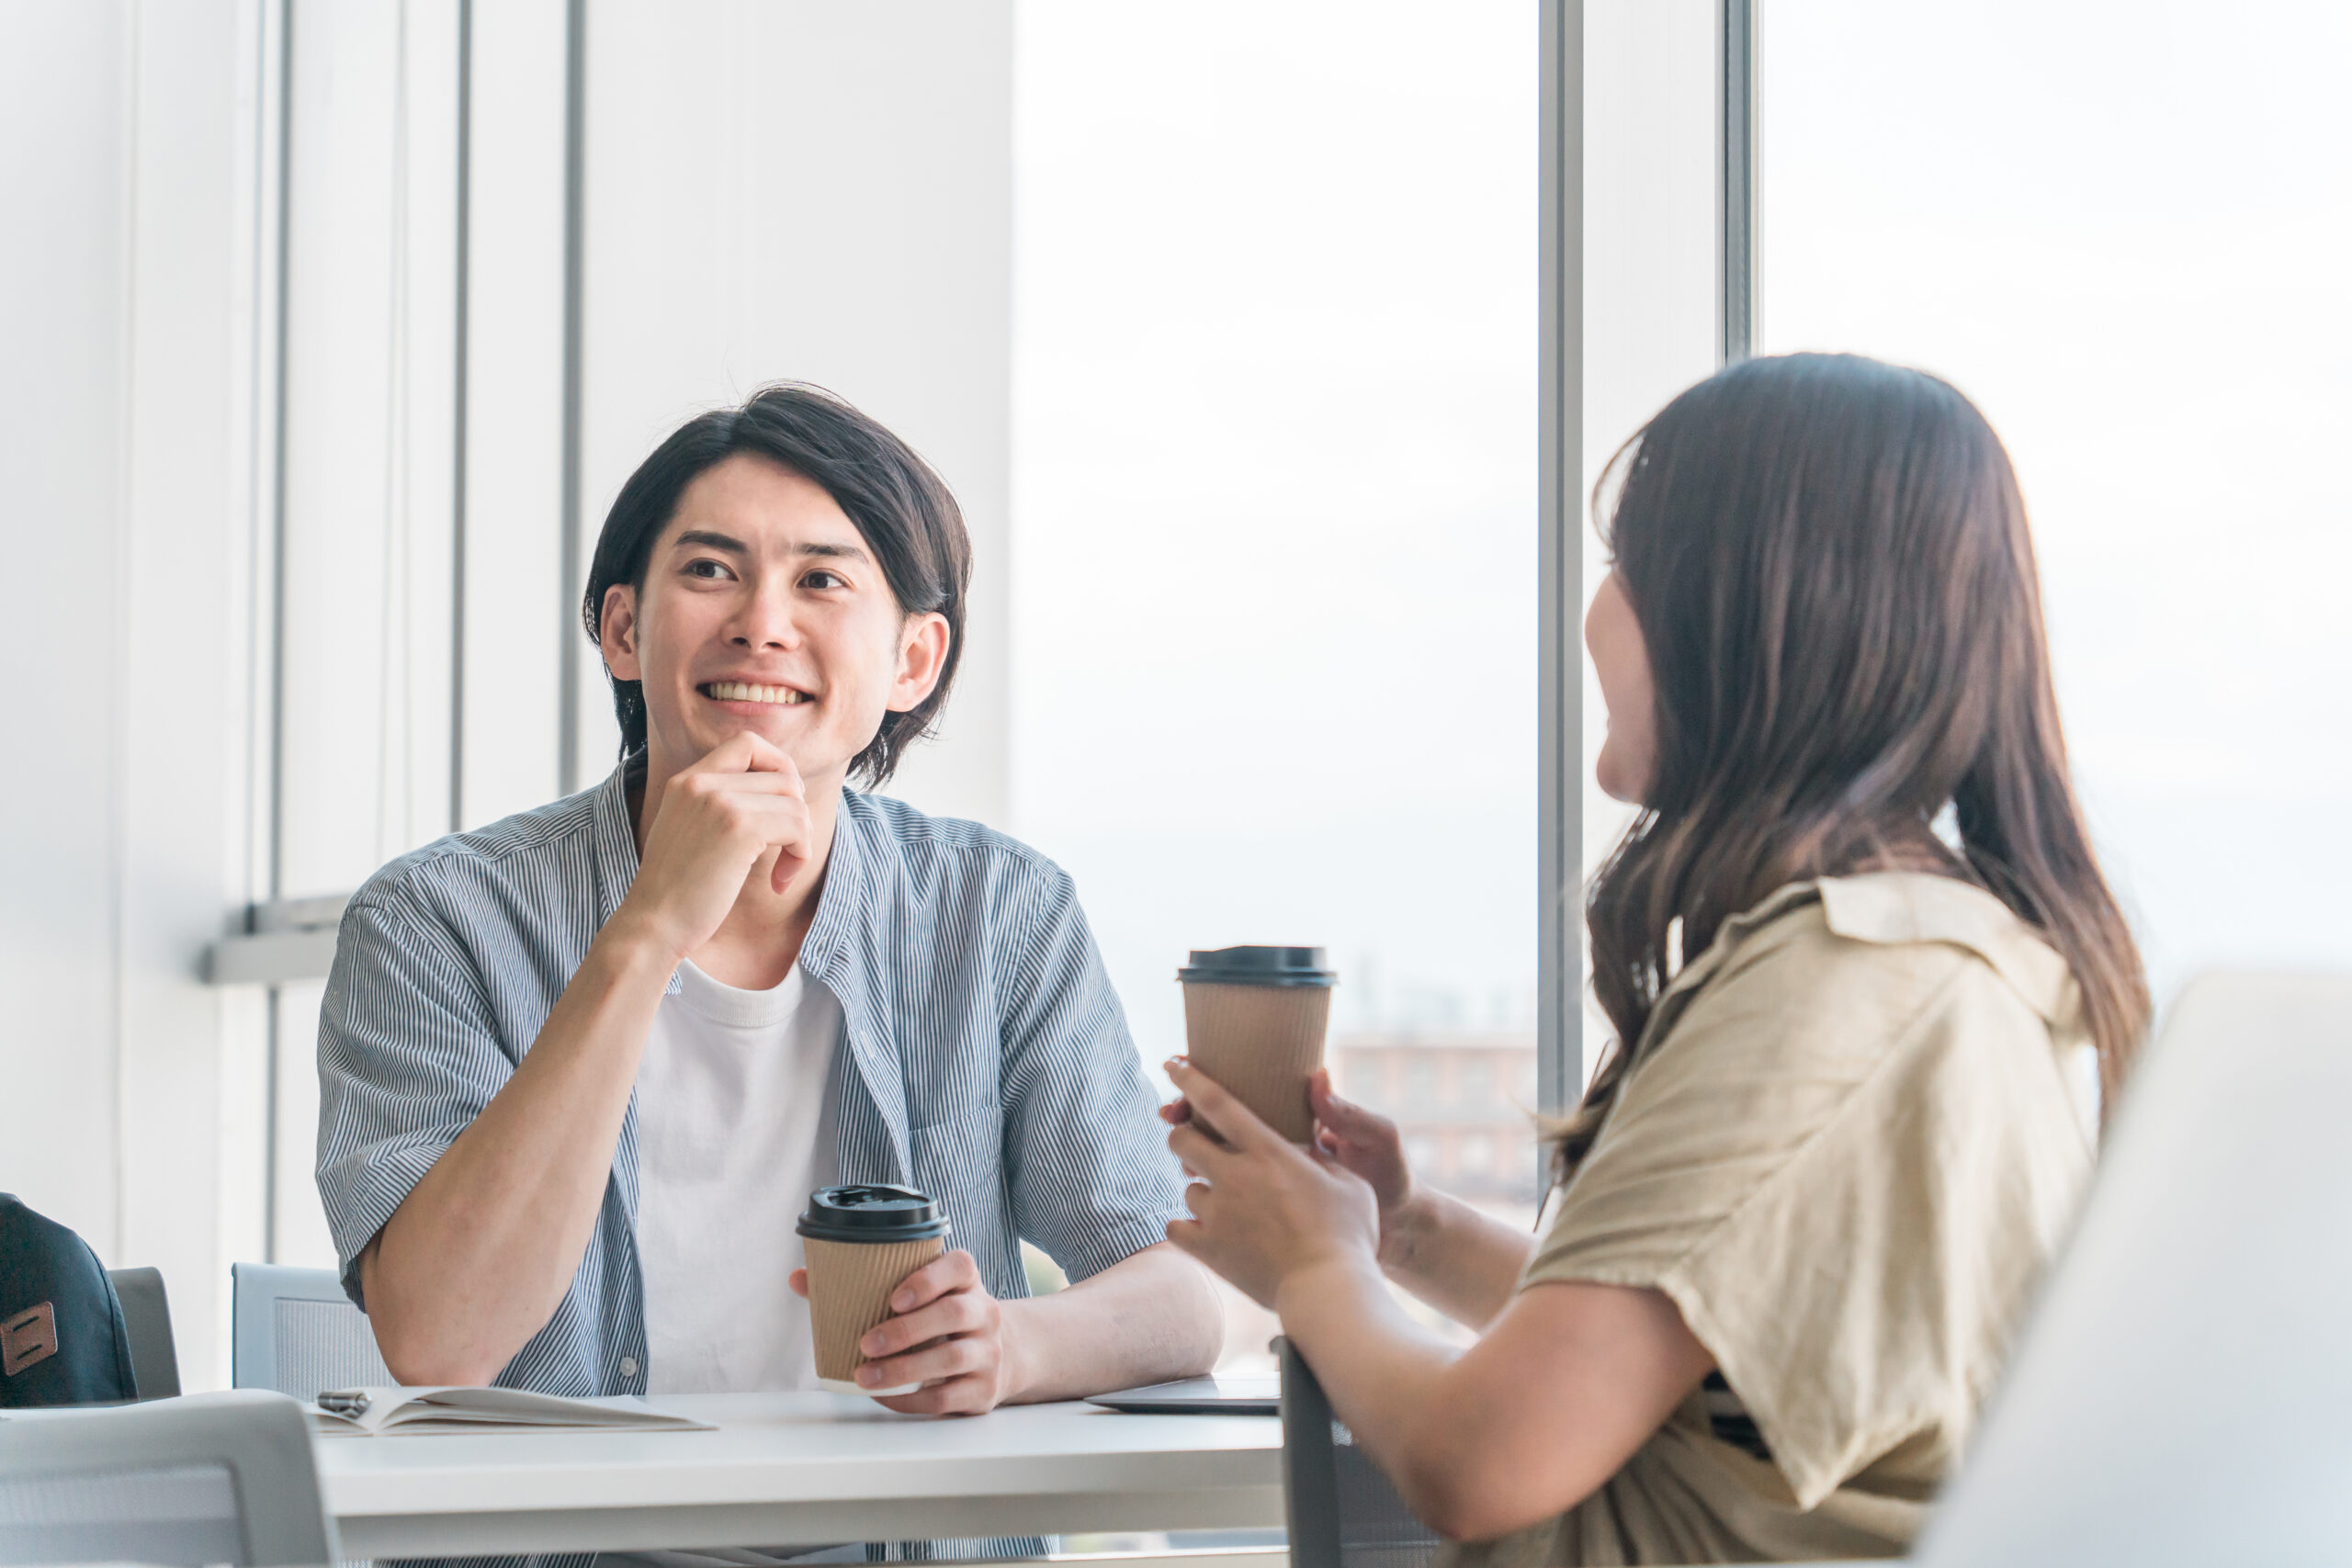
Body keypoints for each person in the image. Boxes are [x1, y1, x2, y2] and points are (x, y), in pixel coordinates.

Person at [1159, 353, 2149, 1563]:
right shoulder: (1965, 959)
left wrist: (1313, 1263)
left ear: (1737, 611)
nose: (1595, 615)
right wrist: (1404, 1228)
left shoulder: (1838, 982)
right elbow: (1687, 1355)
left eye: (1628, 567)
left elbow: (1479, 1460)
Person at [317, 383, 1221, 1416]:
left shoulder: (999, 913)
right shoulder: (434, 923)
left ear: (912, 661)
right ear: (621, 629)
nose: (761, 625)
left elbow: (1188, 1291)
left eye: (822, 580)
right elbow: (440, 1338)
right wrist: (648, 928)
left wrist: (1012, 1348)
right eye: (709, 571)